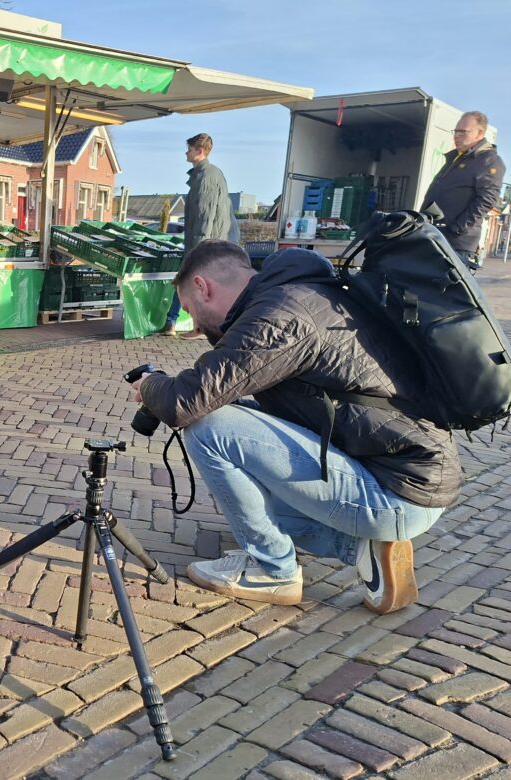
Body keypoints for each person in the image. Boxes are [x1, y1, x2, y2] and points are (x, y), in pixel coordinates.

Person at [132, 240, 461, 614]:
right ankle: (363, 548)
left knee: (208, 427)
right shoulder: (303, 293)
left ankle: (273, 571)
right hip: (408, 483)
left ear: (202, 287)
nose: (194, 323)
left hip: (396, 494)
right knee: (236, 457)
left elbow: (184, 402)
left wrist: (150, 384)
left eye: (190, 310)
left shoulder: (280, 315)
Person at [163, 133, 237, 336]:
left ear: (200, 151)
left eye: (189, 149)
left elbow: (205, 214)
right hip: (210, 240)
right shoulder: (206, 174)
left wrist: (200, 249)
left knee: (192, 281)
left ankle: (197, 325)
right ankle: (175, 322)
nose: (186, 153)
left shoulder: (206, 178)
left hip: (207, 241)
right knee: (189, 280)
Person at [421, 111, 505, 271]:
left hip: (456, 243)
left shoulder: (489, 161)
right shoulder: (457, 158)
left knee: (443, 287)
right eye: (456, 131)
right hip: (435, 235)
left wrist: (457, 228)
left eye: (463, 132)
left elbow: (487, 200)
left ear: (479, 133)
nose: (457, 136)